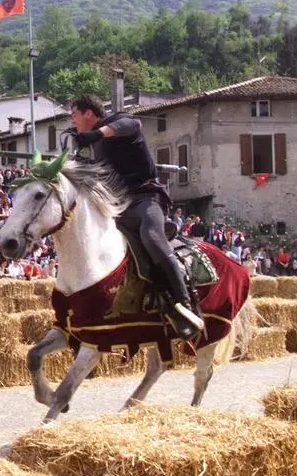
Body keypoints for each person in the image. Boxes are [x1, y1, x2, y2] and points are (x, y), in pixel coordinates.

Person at [69, 94, 204, 340]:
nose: (72, 119)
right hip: (119, 207)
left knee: (151, 237)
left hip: (146, 198)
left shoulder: (120, 122)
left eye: (74, 113)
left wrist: (97, 134)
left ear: (88, 113)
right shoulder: (94, 148)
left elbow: (132, 125)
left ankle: (185, 307)